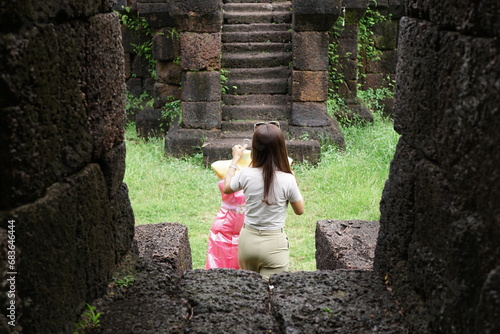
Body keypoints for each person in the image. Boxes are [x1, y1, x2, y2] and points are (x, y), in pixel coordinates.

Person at [222, 121, 304, 280]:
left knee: (249, 292)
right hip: (274, 244)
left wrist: (234, 161)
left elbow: (227, 188)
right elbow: (299, 210)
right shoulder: (287, 179)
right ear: (281, 148)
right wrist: (293, 178)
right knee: (273, 294)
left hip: (248, 241)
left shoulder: (246, 174)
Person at [205, 146, 251, 269]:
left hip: (252, 219)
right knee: (219, 259)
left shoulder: (262, 166)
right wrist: (235, 159)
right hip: (226, 220)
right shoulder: (220, 166)